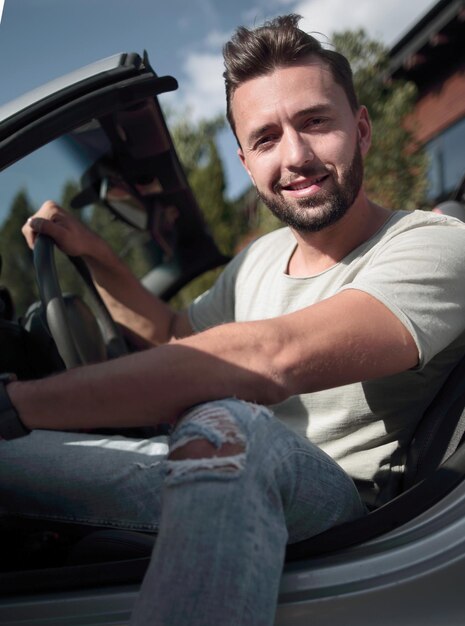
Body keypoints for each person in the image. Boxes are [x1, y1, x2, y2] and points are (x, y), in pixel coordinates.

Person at [1, 13, 465, 626]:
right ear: (246, 163)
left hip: (339, 510)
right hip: (218, 466)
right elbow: (178, 339)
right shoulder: (263, 257)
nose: (296, 156)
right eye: (267, 138)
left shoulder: (436, 244)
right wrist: (99, 256)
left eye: (315, 122)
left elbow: (269, 358)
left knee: (226, 423)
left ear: (361, 129)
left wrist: (19, 403)